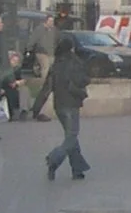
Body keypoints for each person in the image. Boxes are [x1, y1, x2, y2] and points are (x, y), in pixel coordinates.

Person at [44, 34, 92, 181]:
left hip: (59, 105)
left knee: (71, 137)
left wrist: (36, 107)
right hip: (71, 104)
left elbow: (47, 86)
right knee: (71, 138)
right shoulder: (75, 62)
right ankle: (54, 158)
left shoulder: (56, 63)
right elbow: (84, 79)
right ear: (71, 48)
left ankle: (77, 170)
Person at [25, 15, 62, 119]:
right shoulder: (40, 29)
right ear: (46, 21)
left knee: (52, 67)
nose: (52, 23)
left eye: (52, 21)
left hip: (51, 53)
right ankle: (45, 82)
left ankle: (50, 82)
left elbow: (58, 39)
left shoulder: (54, 30)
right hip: (42, 52)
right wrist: (29, 48)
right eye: (50, 21)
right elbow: (33, 39)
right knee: (45, 67)